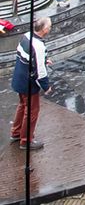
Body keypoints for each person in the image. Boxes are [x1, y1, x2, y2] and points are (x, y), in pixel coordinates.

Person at [10, 17, 51, 151]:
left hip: (19, 79)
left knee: (22, 106)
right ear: (44, 30)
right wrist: (46, 86)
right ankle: (26, 140)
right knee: (32, 111)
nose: (50, 29)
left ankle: (16, 132)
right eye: (49, 27)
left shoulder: (26, 36)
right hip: (29, 84)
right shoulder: (38, 46)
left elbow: (28, 57)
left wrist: (44, 60)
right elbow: (40, 71)